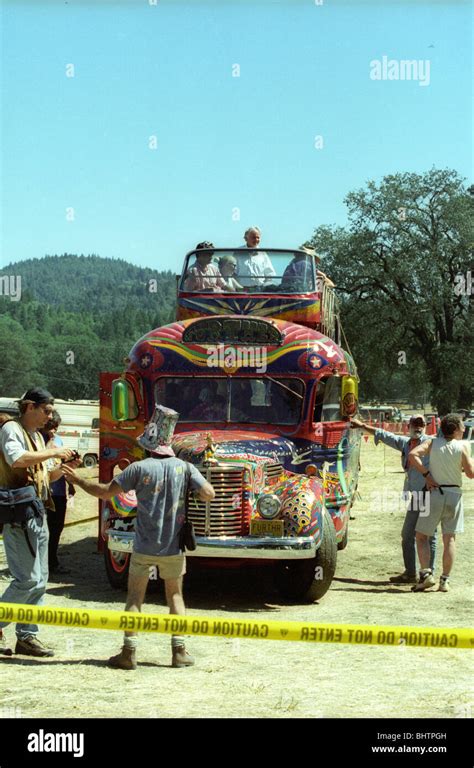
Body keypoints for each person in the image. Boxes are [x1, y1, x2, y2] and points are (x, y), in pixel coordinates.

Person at [63, 405, 215, 670]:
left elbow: (103, 493)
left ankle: (128, 653)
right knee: (176, 597)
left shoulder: (137, 469)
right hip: (173, 547)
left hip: (143, 545)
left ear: (148, 444)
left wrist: (77, 480)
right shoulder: (185, 468)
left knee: (135, 598)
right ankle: (179, 652)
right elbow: (209, 494)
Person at [0, 388, 77, 657]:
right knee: (27, 580)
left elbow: (43, 477)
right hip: (19, 515)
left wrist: (64, 468)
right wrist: (51, 452)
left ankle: (27, 636)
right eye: (46, 410)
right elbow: (17, 460)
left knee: (41, 579)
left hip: (37, 512)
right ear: (30, 407)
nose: (50, 416)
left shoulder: (34, 436)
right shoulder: (12, 429)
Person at [350, 414, 436, 584]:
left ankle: (427, 574)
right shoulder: (405, 443)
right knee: (409, 535)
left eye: (421, 424)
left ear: (425, 426)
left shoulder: (431, 442)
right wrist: (362, 426)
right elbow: (384, 435)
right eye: (415, 423)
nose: (418, 427)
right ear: (408, 425)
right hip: (416, 494)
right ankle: (412, 573)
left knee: (428, 535)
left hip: (428, 494)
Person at [409, 413, 474, 593]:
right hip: (454, 495)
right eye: (461, 426)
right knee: (449, 539)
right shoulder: (463, 447)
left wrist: (426, 475)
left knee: (421, 536)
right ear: (454, 429)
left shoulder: (432, 442)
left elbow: (413, 455)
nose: (464, 429)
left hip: (435, 493)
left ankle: (426, 575)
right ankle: (444, 580)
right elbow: (470, 474)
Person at [40, 410, 74, 575]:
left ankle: (52, 561)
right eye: (50, 427)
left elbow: (61, 464)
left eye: (55, 427)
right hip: (44, 493)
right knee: (43, 530)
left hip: (59, 491)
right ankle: (42, 563)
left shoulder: (58, 440)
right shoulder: (37, 441)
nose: (52, 431)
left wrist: (70, 482)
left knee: (56, 528)